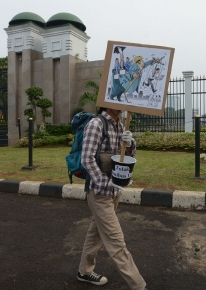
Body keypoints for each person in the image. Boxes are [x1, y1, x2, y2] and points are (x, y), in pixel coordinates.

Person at [77, 107, 147, 290]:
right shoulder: (96, 124)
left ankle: (84, 271)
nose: (123, 104)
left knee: (96, 233)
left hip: (115, 192)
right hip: (99, 192)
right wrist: (105, 182)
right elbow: (87, 159)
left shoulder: (121, 125)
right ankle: (138, 285)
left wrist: (130, 143)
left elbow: (126, 157)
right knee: (116, 240)